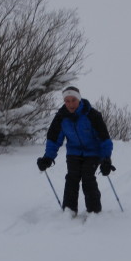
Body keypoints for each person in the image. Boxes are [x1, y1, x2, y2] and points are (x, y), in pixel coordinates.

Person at [36, 86, 115, 216]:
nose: (71, 104)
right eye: (67, 100)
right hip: (73, 153)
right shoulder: (61, 118)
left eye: (73, 100)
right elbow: (54, 140)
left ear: (79, 99)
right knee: (72, 179)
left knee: (88, 178)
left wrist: (106, 159)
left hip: (92, 153)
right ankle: (69, 210)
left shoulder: (92, 115)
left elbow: (104, 139)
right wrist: (48, 158)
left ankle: (94, 212)